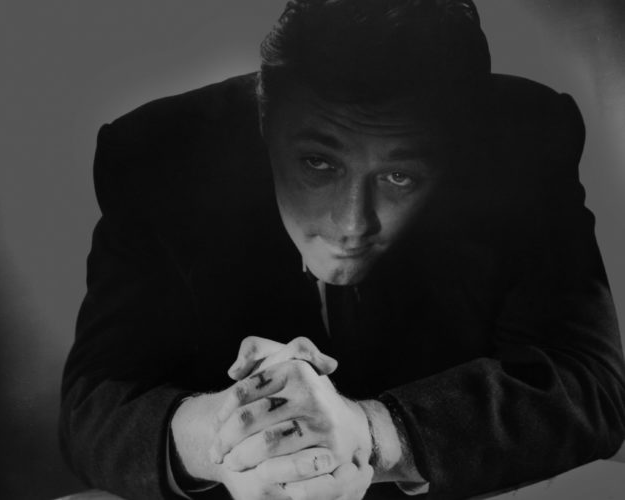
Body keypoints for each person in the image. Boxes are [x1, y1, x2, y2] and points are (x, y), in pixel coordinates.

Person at [59, 1, 625, 499]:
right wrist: (231, 433)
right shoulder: (159, 155)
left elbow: (588, 384)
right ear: (264, 117)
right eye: (318, 163)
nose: (353, 224)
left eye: (400, 176)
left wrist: (373, 434)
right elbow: (93, 407)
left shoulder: (524, 139)